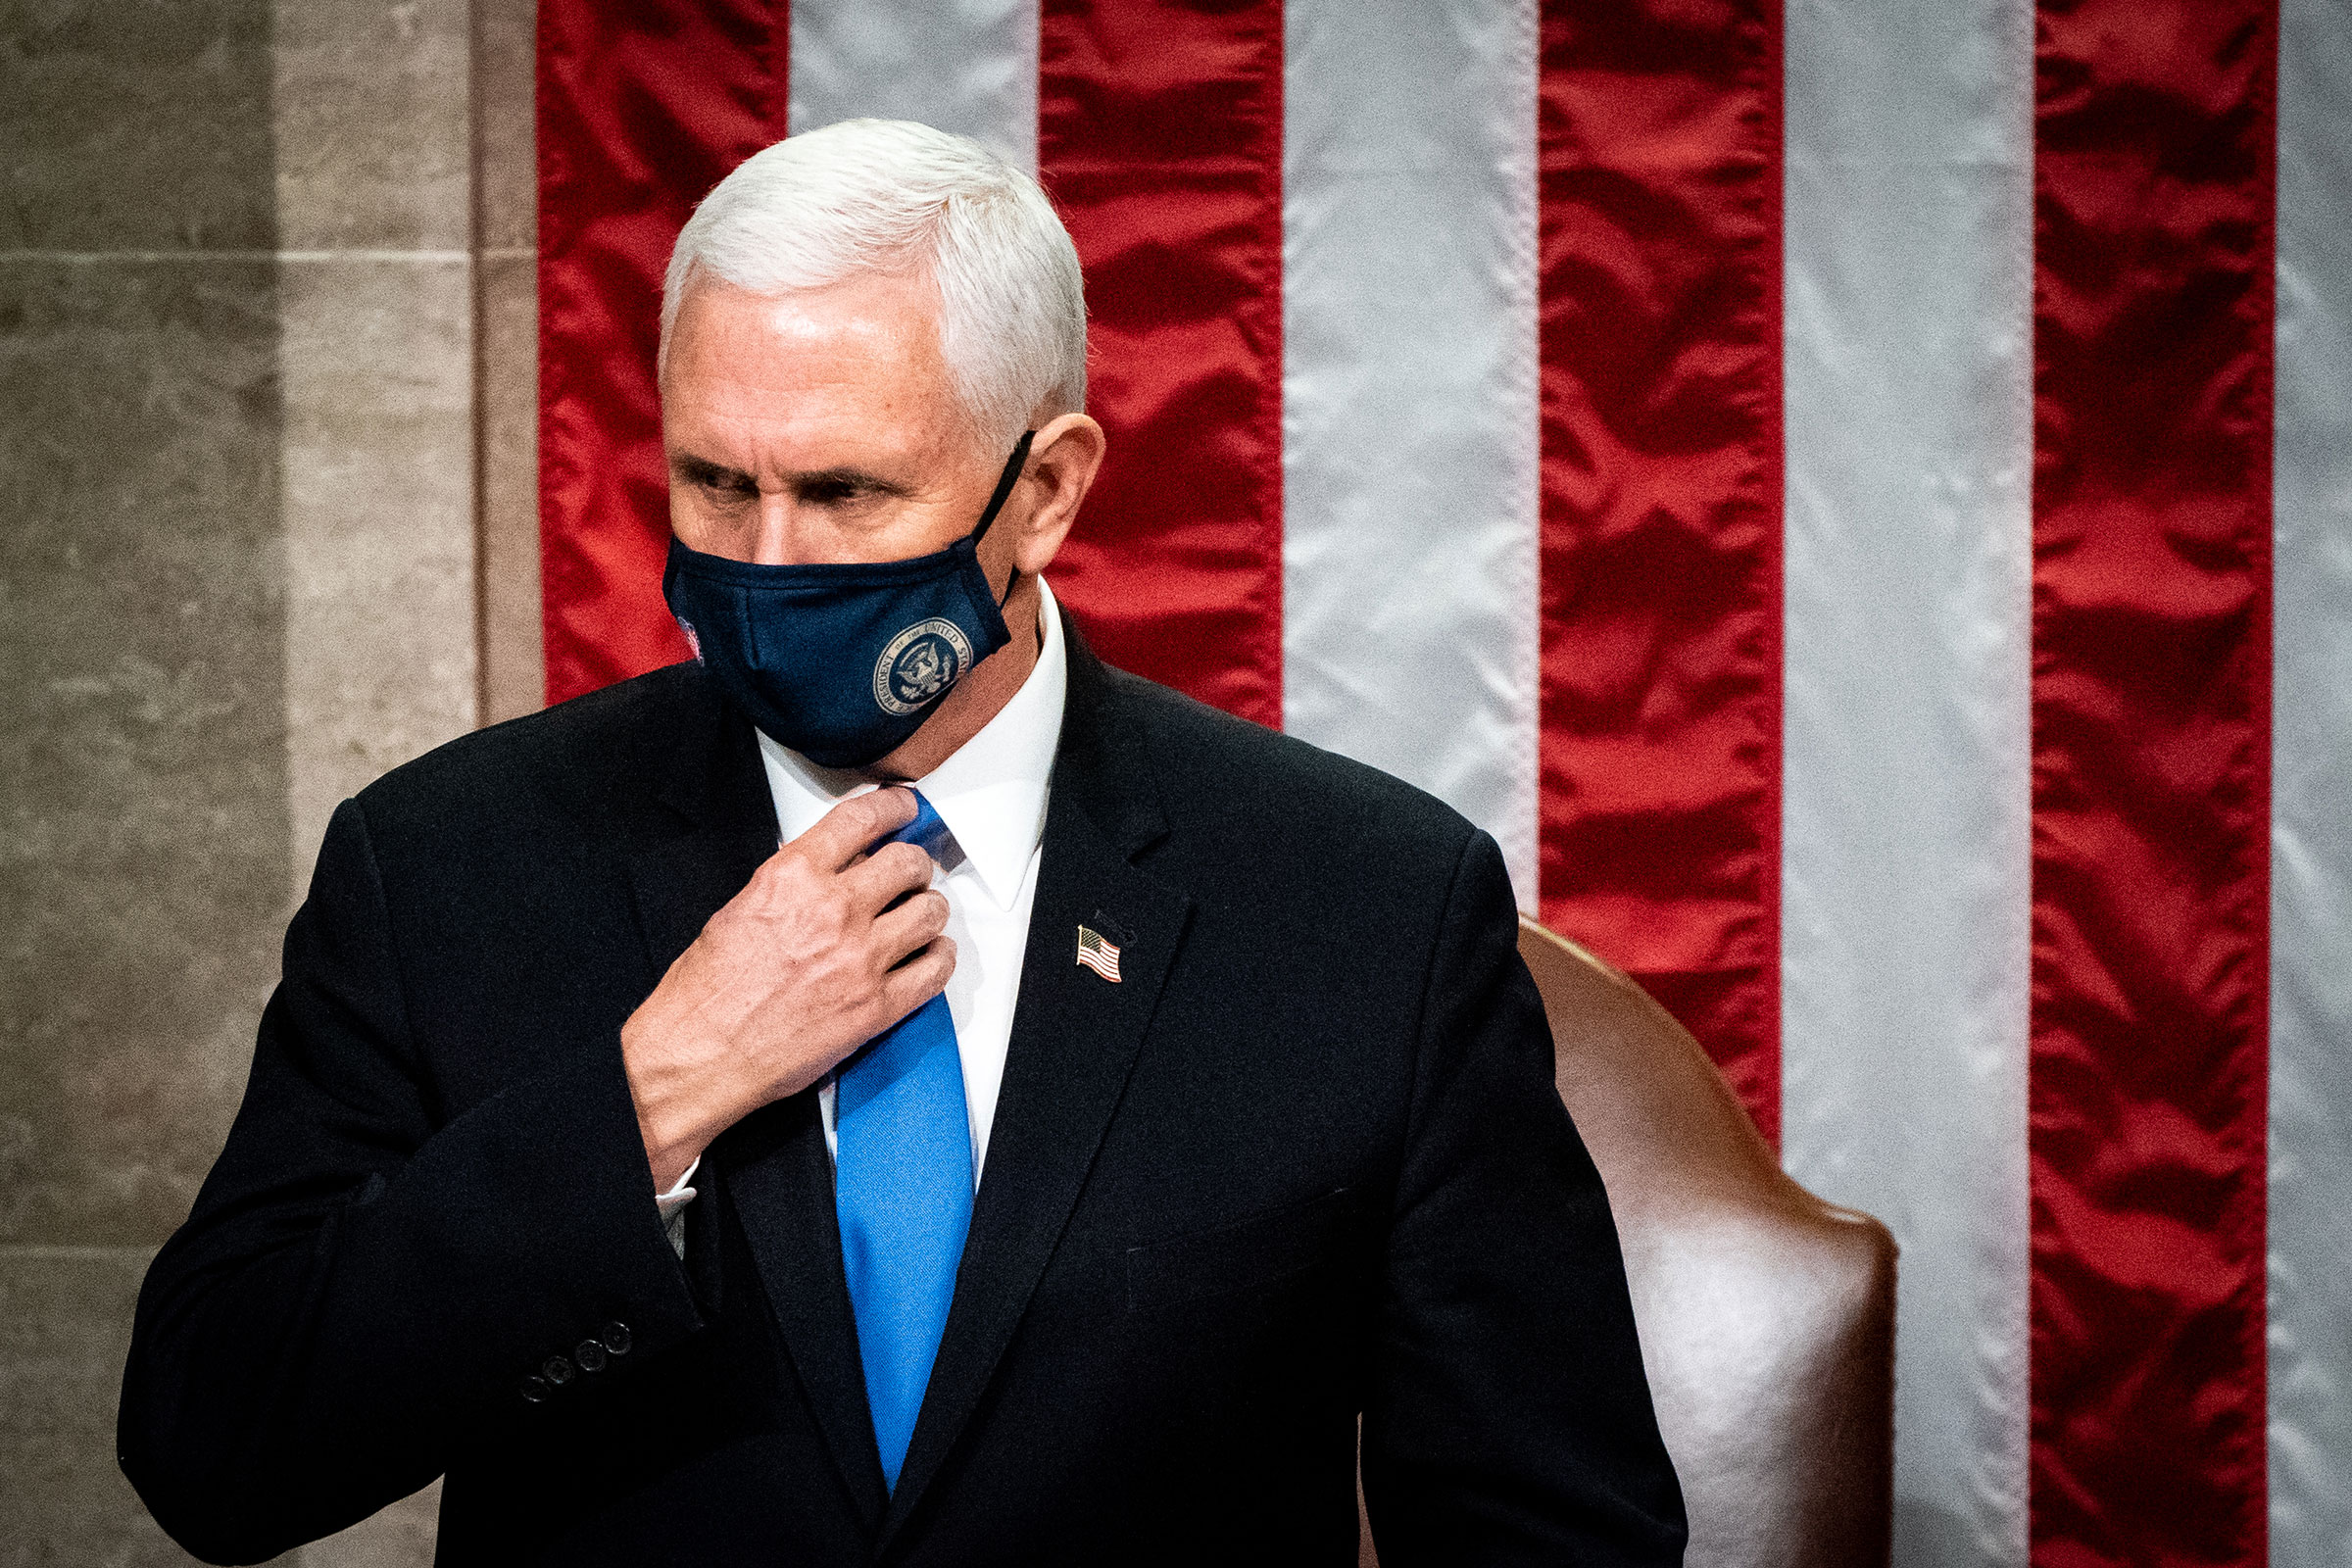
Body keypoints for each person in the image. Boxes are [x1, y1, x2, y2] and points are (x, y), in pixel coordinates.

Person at [118, 119, 1686, 1566]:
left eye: (846, 490)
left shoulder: (1367, 908)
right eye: (713, 483)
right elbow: (217, 1448)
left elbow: (1548, 1526)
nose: (765, 558)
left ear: (1048, 489)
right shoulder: (448, 865)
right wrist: (657, 1091)